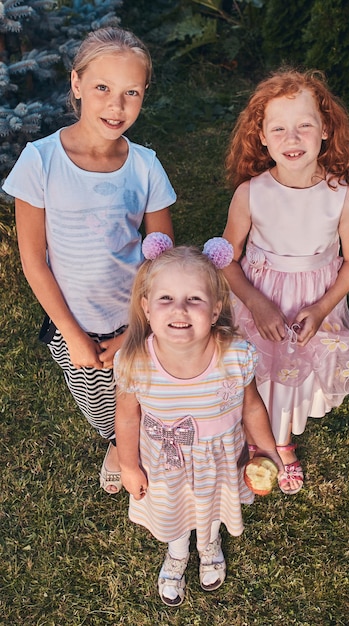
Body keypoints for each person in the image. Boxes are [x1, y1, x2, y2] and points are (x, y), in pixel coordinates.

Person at [2, 27, 176, 494]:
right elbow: (34, 260)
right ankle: (116, 444)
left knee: (142, 392)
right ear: (76, 84)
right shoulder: (40, 161)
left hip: (139, 318)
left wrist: (136, 329)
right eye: (102, 88)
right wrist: (74, 335)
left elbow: (162, 262)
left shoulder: (145, 166)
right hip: (75, 323)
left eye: (131, 93)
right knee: (99, 405)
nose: (116, 107)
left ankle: (138, 444)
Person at [114, 233, 284, 607]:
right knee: (175, 512)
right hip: (165, 463)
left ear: (215, 307)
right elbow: (126, 417)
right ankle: (177, 552)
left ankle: (208, 545)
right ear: (146, 307)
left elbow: (251, 406)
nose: (180, 309)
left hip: (217, 460)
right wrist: (128, 465)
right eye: (166, 299)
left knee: (210, 509)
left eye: (194, 299)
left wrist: (268, 449)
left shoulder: (236, 357)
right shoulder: (135, 362)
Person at [222, 68, 349, 495]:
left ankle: (280, 441)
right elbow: (225, 259)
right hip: (260, 297)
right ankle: (253, 437)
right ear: (262, 137)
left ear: (325, 130)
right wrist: (255, 303)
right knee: (257, 368)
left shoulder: (343, 197)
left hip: (312, 301)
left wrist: (322, 309)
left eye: (305, 126)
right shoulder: (251, 193)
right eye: (279, 128)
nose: (293, 138)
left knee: (295, 372)